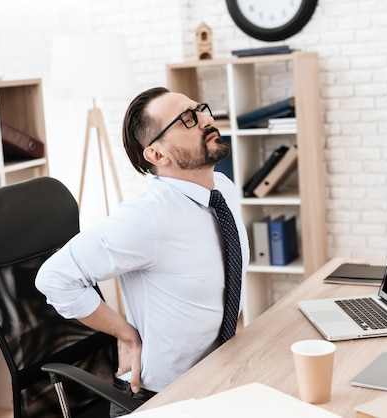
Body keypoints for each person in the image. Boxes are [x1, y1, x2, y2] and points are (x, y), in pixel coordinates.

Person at [35, 87, 249, 416]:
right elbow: (54, 278)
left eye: (200, 109)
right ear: (157, 155)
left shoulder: (224, 189)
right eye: (187, 120)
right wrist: (127, 334)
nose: (207, 119)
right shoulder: (145, 218)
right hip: (163, 398)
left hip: (219, 375)